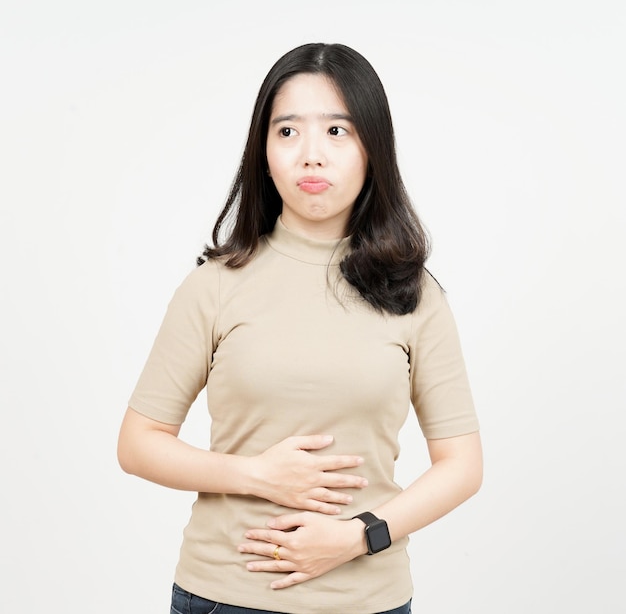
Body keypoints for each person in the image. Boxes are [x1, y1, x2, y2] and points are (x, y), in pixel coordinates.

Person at [117, 42, 482, 614]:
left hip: (370, 601)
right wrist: (257, 475)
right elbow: (138, 444)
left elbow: (462, 466)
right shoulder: (214, 285)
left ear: (372, 149)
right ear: (263, 152)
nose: (311, 155)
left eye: (337, 132)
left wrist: (360, 535)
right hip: (224, 596)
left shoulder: (415, 293)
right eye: (287, 132)